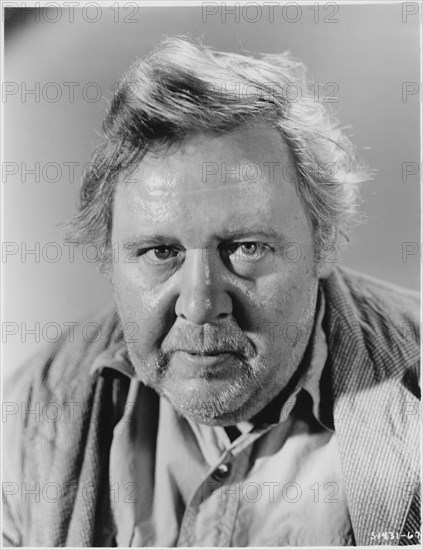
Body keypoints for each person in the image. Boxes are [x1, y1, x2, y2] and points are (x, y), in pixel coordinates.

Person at [3, 36, 420, 547]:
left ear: (325, 241)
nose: (200, 306)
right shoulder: (33, 410)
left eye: (245, 247)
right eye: (160, 252)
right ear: (110, 258)